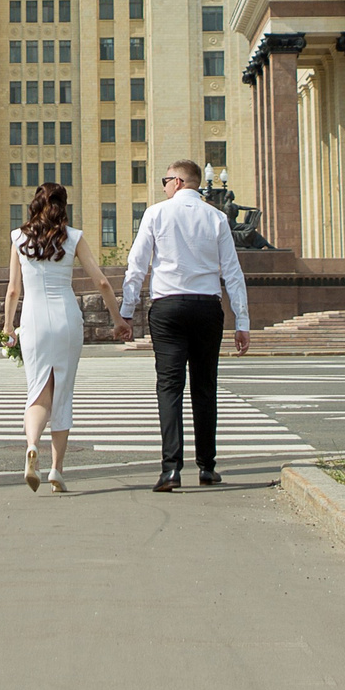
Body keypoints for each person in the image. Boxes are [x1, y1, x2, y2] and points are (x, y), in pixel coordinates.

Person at [117, 160, 250, 492]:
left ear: (177, 182)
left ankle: (171, 470)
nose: (163, 186)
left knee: (169, 387)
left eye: (165, 180)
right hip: (207, 307)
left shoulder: (156, 214)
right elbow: (232, 272)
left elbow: (137, 264)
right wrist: (242, 322)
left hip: (168, 307)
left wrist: (126, 311)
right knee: (205, 387)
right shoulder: (217, 218)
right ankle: (207, 466)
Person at [2, 179, 121, 492]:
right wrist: (118, 318)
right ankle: (56, 469)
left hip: (33, 320)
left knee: (38, 390)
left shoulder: (18, 237)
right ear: (62, 206)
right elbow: (103, 282)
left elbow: (13, 289)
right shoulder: (74, 237)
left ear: (35, 204)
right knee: (63, 394)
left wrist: (7, 326)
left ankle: (31, 446)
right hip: (67, 318)